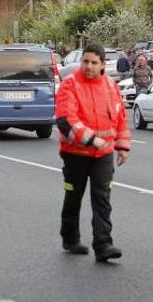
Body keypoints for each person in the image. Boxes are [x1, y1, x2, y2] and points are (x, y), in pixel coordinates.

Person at [55, 44, 131, 262]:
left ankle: (104, 245)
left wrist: (123, 146)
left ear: (102, 64)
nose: (88, 66)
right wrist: (91, 139)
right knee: (74, 196)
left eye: (93, 62)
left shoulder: (110, 86)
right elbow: (65, 121)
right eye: (85, 61)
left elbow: (120, 119)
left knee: (102, 199)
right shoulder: (69, 85)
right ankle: (70, 238)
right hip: (75, 153)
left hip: (102, 154)